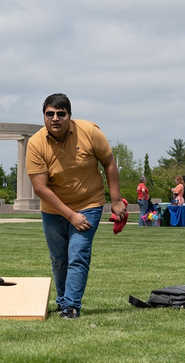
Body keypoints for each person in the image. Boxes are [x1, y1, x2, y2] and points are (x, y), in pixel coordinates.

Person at [26, 93, 126, 319]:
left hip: (89, 202)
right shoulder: (35, 143)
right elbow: (40, 188)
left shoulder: (90, 132)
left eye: (61, 114)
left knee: (78, 254)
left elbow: (109, 163)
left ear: (70, 116)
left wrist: (116, 200)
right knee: (59, 259)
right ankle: (62, 302)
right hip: (53, 208)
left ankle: (71, 306)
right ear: (44, 116)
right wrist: (70, 215)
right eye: (49, 114)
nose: (55, 118)